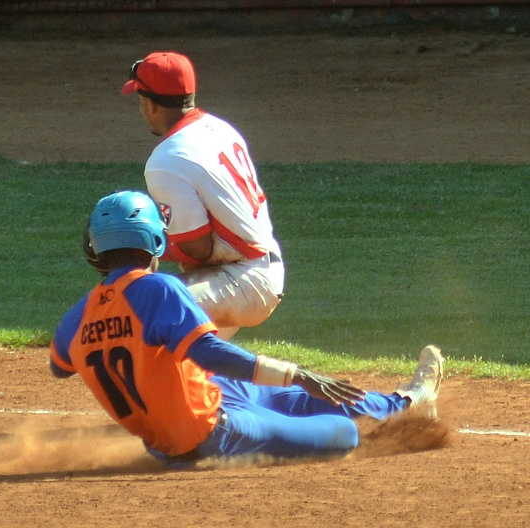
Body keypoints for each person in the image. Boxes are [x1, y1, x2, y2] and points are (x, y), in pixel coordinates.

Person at [51, 190, 444, 465]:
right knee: (343, 431)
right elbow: (208, 351)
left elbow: (59, 366)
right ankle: (403, 408)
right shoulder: (157, 288)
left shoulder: (77, 316)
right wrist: (297, 372)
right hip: (215, 435)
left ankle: (409, 401)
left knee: (294, 395)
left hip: (195, 414)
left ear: (96, 247)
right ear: (156, 239)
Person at [121, 51, 284, 340]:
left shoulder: (167, 160)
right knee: (202, 370)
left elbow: (198, 248)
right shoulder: (220, 128)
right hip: (255, 270)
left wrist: (145, 247)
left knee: (136, 315)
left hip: (239, 280)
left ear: (149, 103)